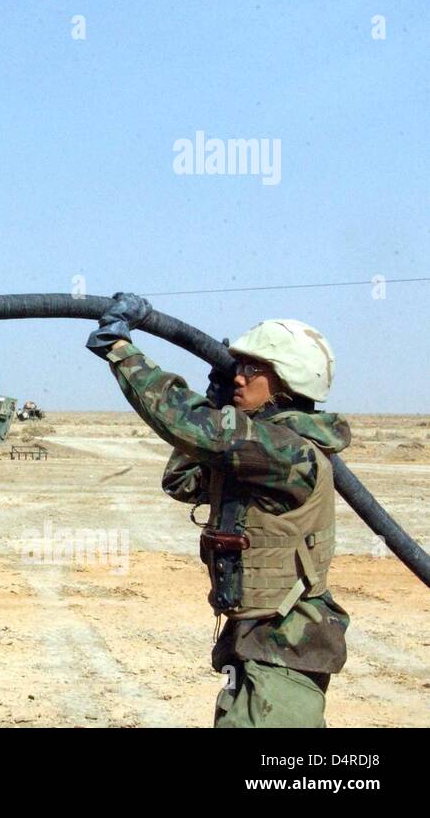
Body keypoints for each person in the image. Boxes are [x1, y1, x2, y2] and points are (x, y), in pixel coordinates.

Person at [86, 293, 350, 728]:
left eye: (252, 369)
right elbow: (183, 479)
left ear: (287, 381)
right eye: (237, 368)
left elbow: (189, 426)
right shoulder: (258, 449)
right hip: (255, 644)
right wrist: (217, 402)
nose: (239, 378)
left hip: (283, 650)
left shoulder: (287, 452)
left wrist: (120, 350)